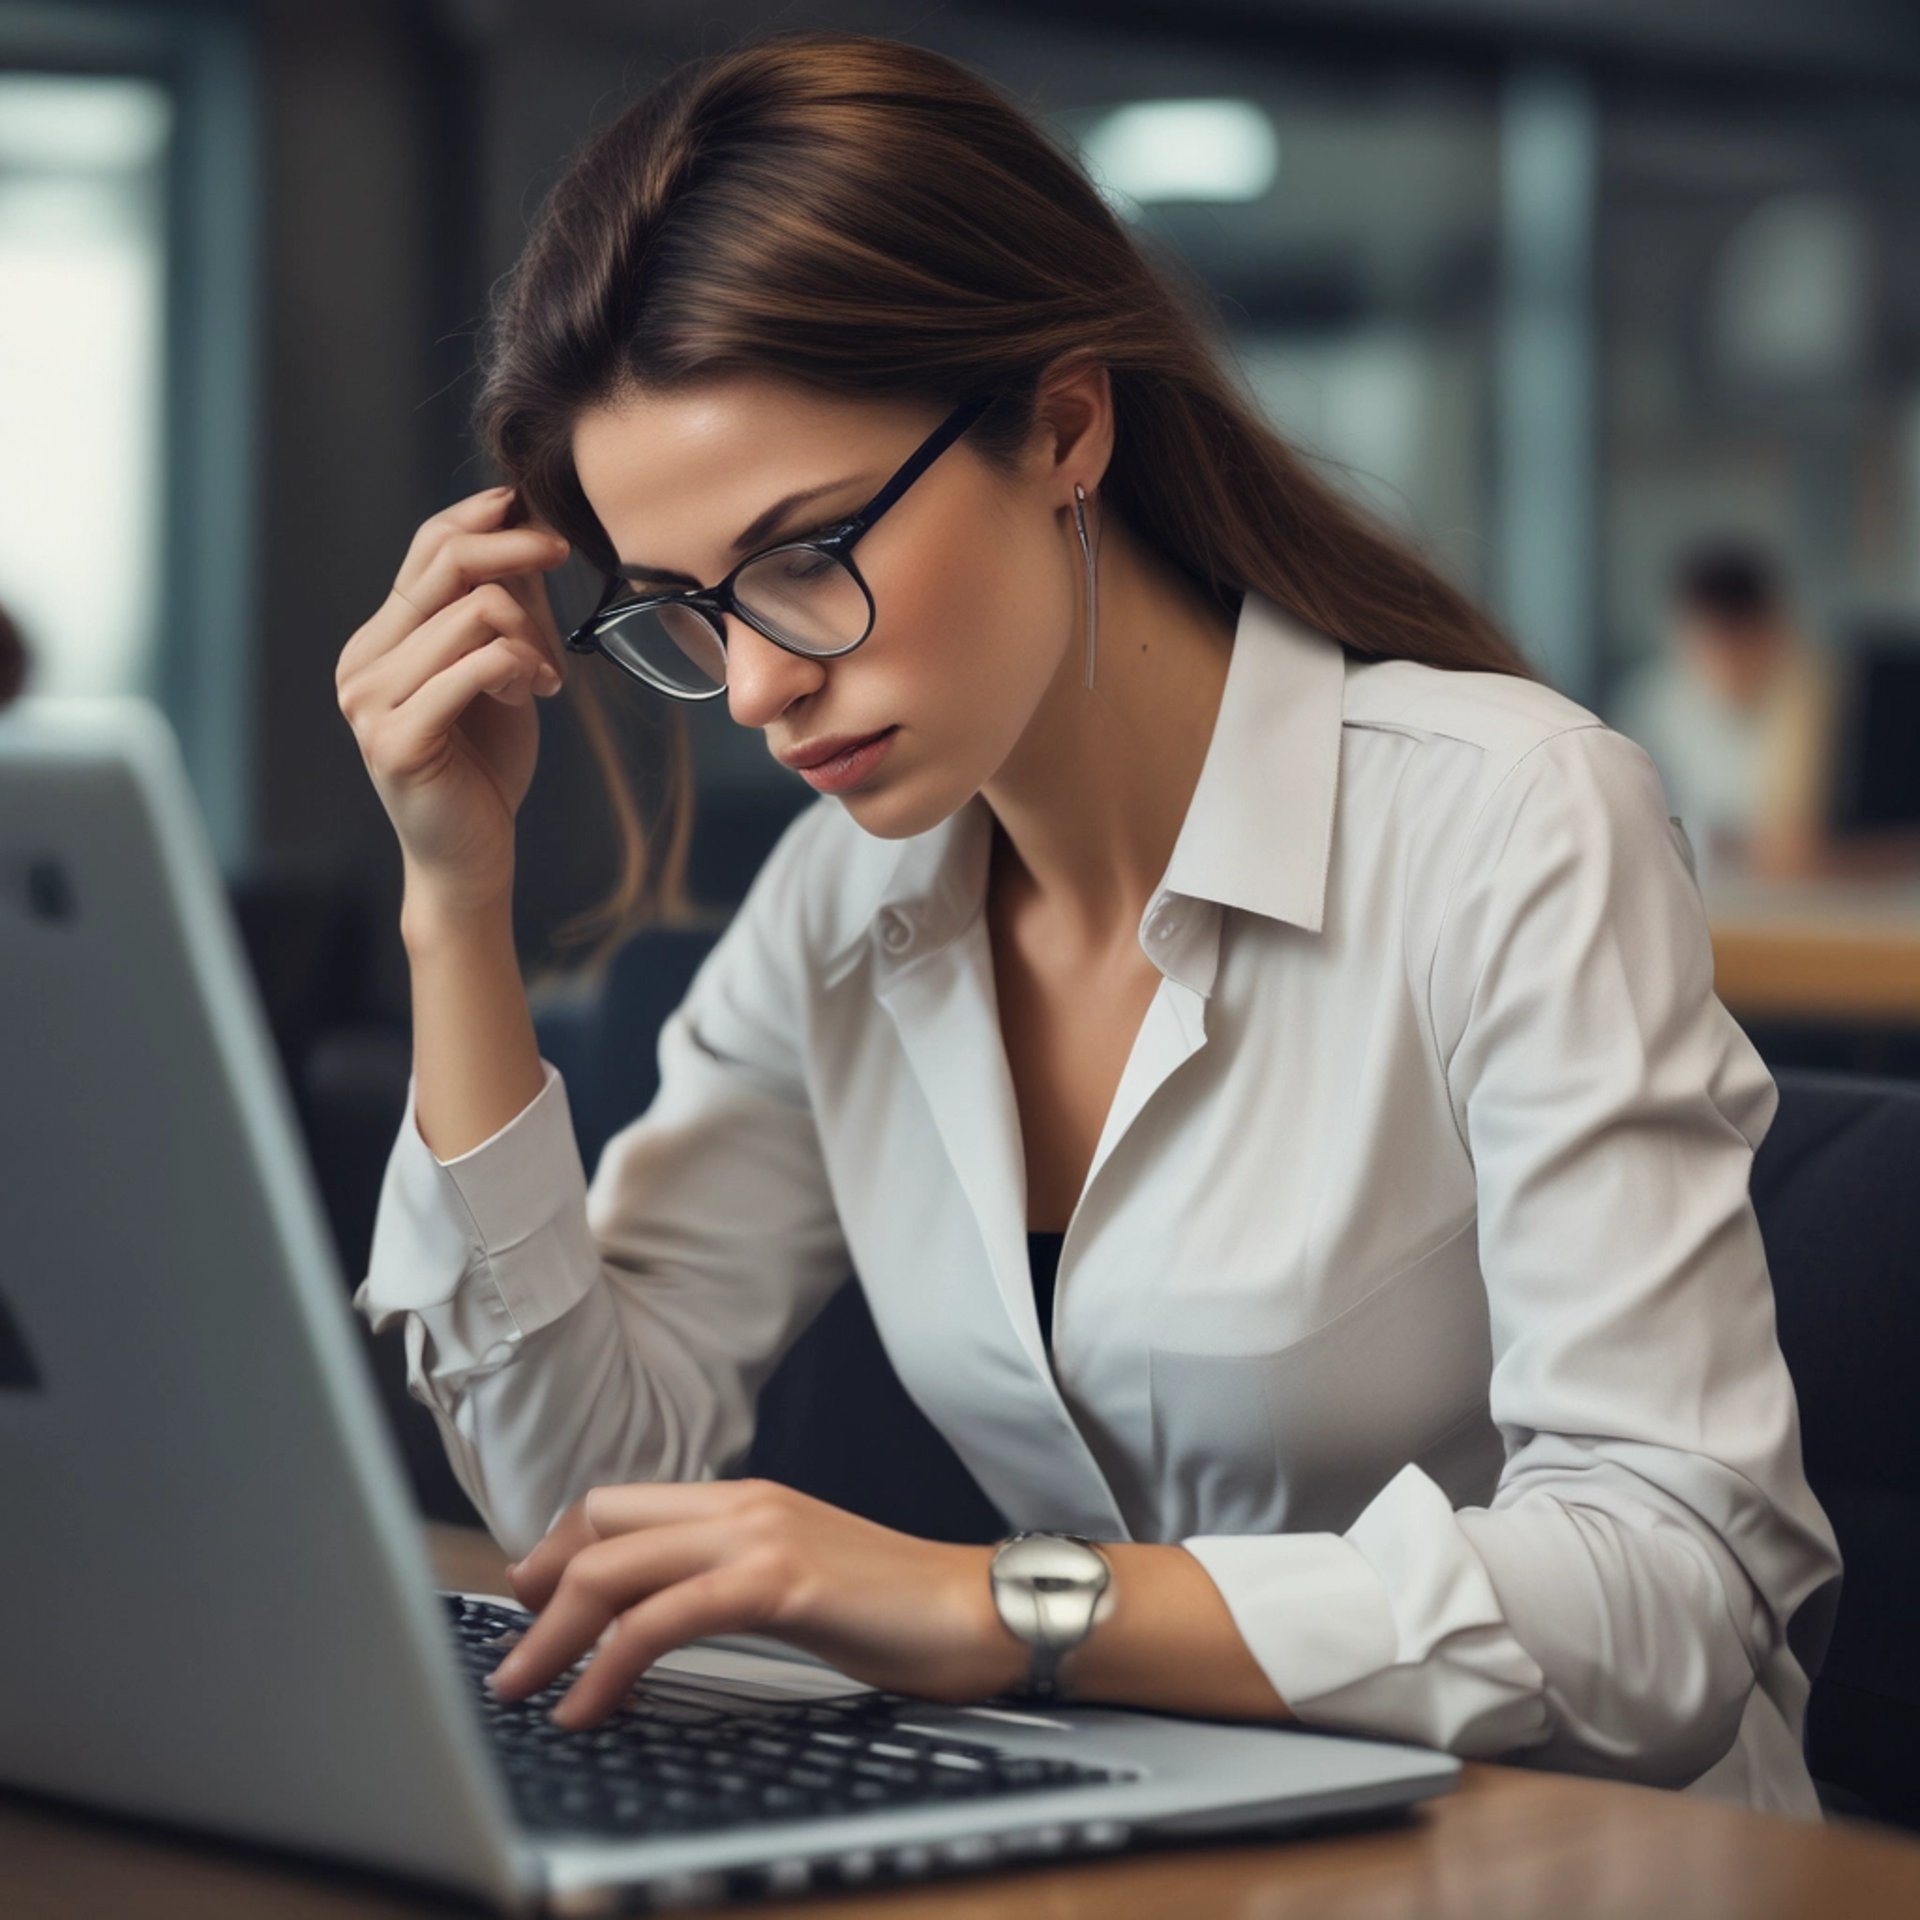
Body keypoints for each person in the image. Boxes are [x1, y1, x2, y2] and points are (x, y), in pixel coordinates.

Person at [338, 28, 1838, 1816]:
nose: (748, 688)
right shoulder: (847, 905)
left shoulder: (1512, 819)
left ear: (1063, 427)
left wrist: (1004, 1606)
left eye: (806, 554)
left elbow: (1672, 1595)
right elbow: (580, 1504)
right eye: (680, 610)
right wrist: (456, 898)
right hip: (1151, 1849)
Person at [1610, 540, 1842, 887]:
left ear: (1773, 632)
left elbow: (1799, 844)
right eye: (1710, 643)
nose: (1725, 663)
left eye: (1739, 643)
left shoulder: (1820, 693)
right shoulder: (1652, 705)